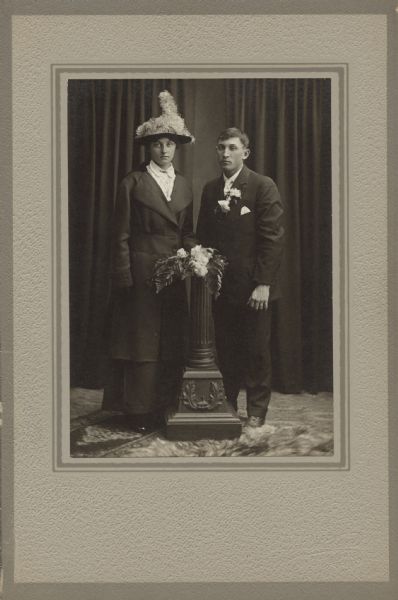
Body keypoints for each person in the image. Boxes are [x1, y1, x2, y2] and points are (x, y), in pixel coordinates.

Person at [102, 91, 196, 433]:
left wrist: (193, 256)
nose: (165, 149)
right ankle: (137, 412)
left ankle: (164, 407)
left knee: (170, 341)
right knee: (140, 344)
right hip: (141, 275)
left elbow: (188, 232)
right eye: (158, 143)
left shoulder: (185, 186)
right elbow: (120, 235)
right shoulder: (133, 182)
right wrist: (123, 276)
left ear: (177, 147)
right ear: (148, 148)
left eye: (170, 143)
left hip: (173, 275)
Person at [196, 127, 284, 428]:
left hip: (254, 287)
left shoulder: (262, 186)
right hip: (222, 288)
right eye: (221, 148)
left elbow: (272, 239)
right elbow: (203, 235)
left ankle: (257, 411)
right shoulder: (210, 190)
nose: (225, 154)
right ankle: (229, 402)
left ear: (245, 153)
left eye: (232, 148)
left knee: (257, 350)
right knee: (228, 348)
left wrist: (263, 283)